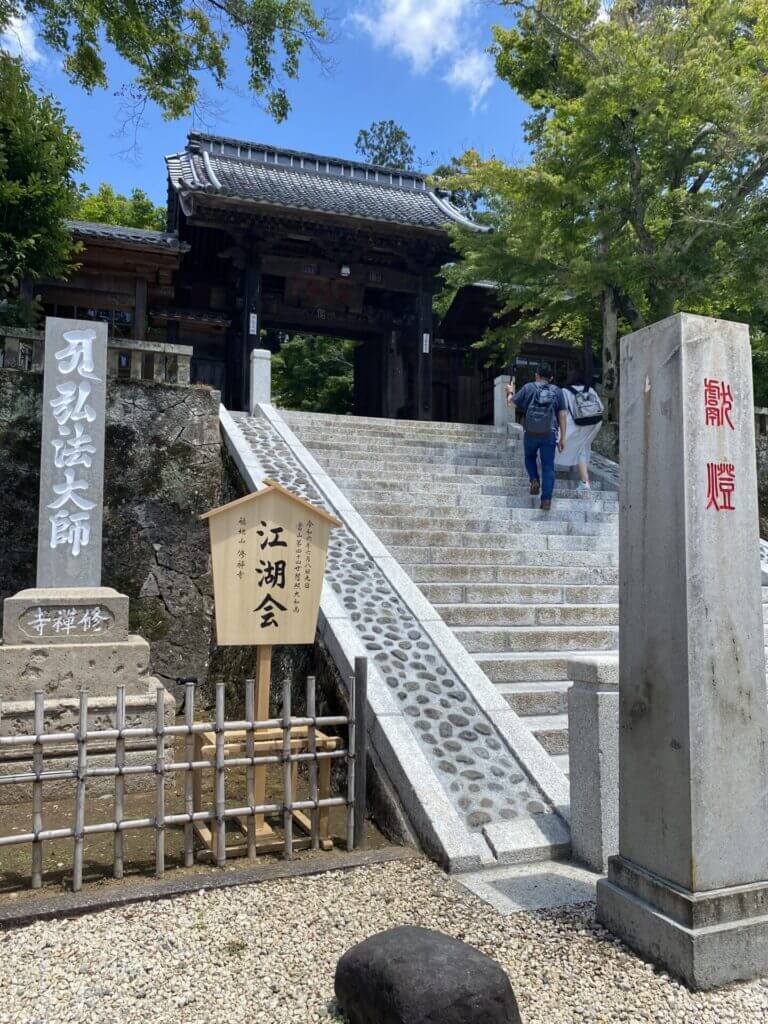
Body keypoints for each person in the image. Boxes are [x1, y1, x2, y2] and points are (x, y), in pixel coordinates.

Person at [506, 363, 566, 511]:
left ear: (536, 375)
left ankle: (534, 479)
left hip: (531, 432)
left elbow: (511, 404)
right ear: (551, 378)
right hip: (549, 433)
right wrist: (563, 437)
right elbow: (562, 414)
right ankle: (546, 501)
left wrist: (510, 392)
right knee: (548, 466)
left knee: (529, 457)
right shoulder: (557, 391)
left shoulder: (528, 387)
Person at [555, 369, 604, 490]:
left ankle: (546, 472)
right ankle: (584, 481)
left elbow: (562, 412)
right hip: (593, 423)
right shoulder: (590, 390)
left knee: (556, 444)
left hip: (574, 424)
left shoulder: (565, 391)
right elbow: (601, 408)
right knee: (582, 448)